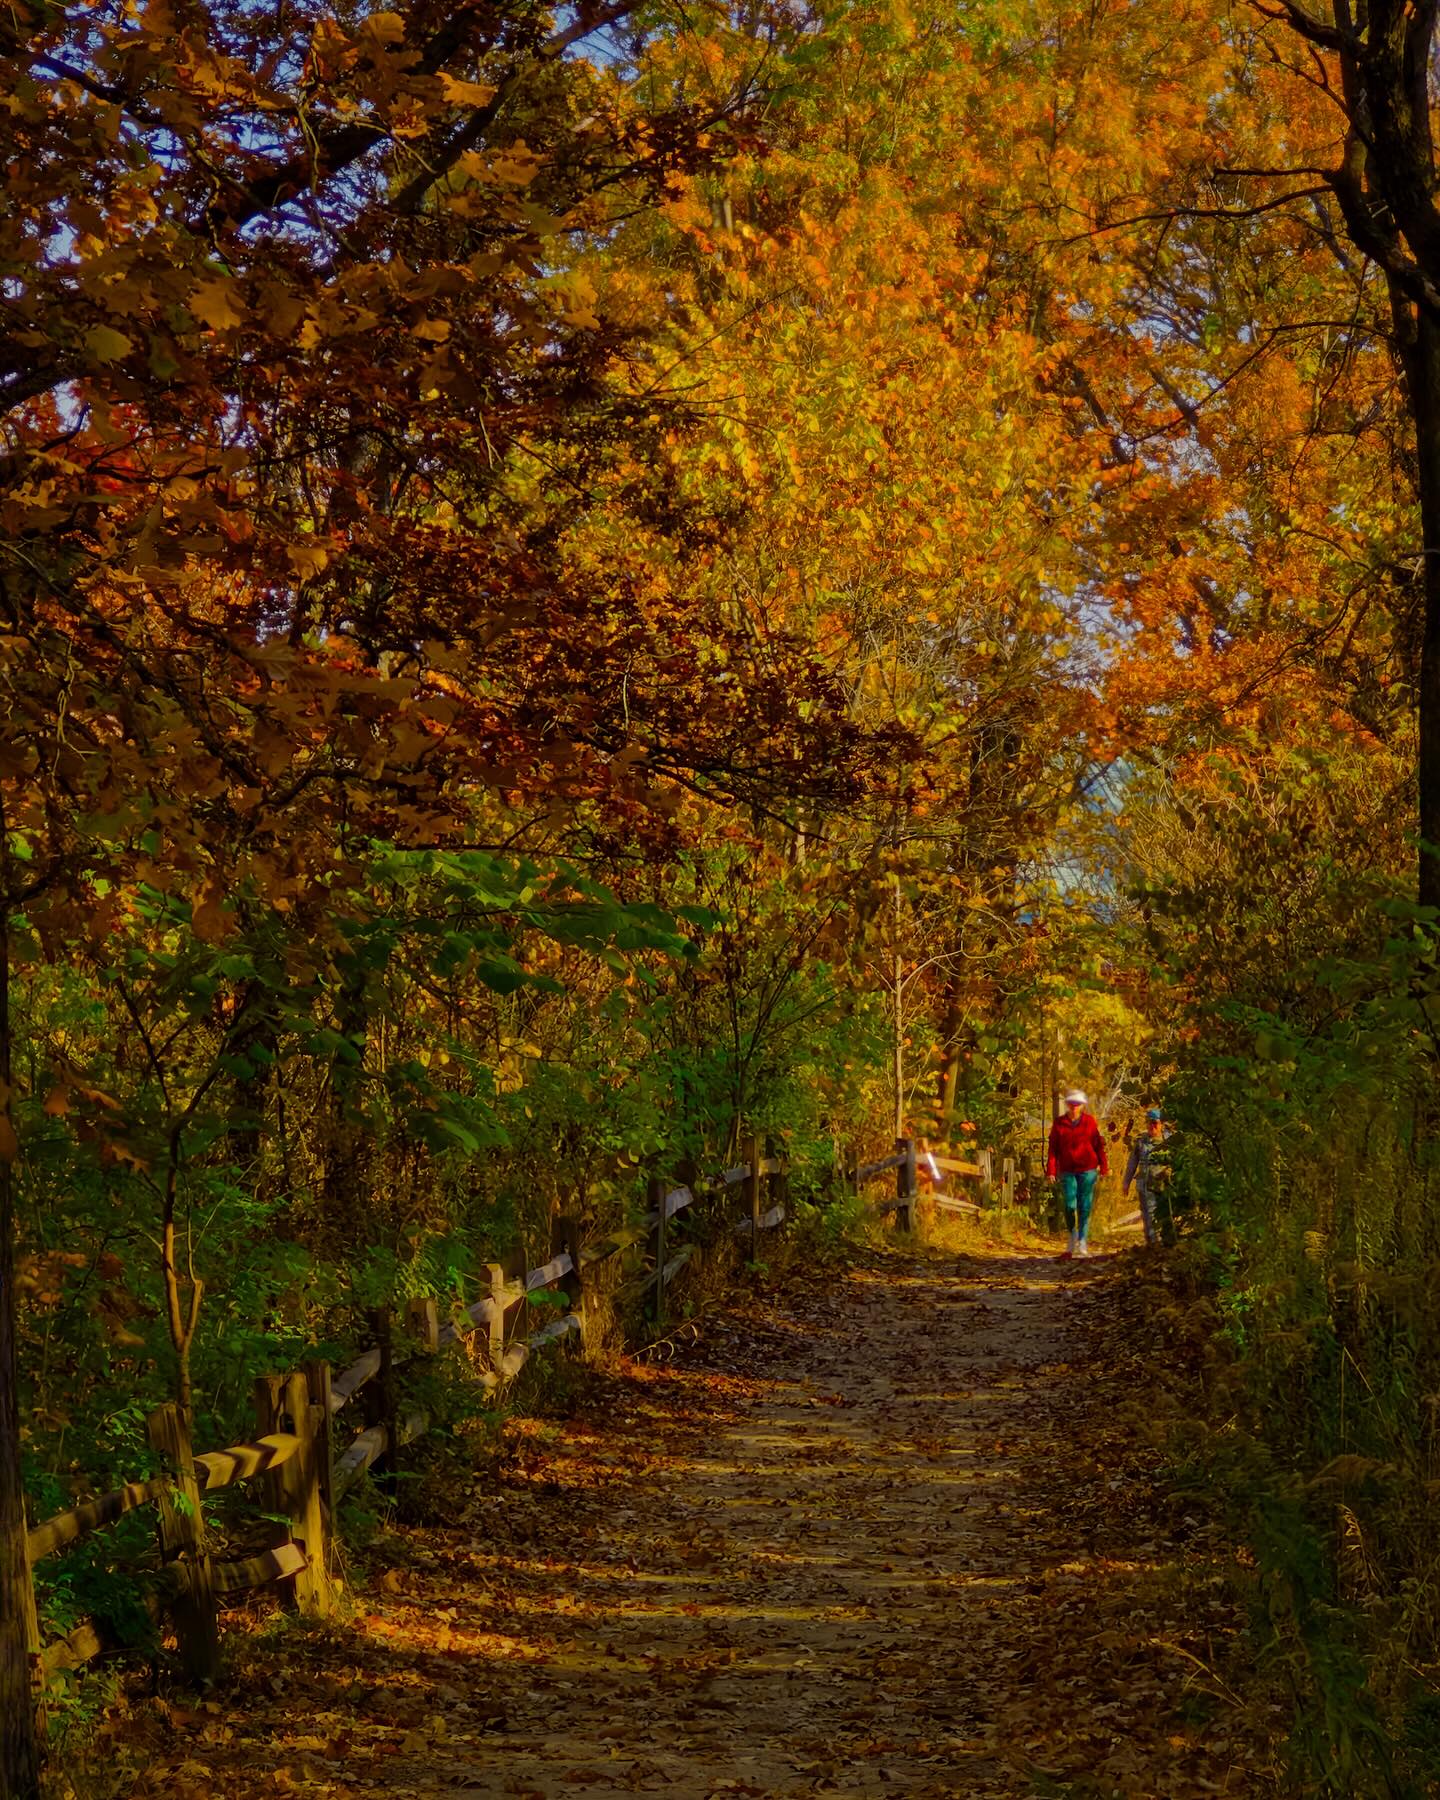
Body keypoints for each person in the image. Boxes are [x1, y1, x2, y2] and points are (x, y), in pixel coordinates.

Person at [1047, 1089, 1108, 1258]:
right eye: (1072, 1104)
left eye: (1078, 1104)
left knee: (1084, 1206)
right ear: (1067, 1105)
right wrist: (1051, 1170)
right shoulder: (1059, 1123)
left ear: (1082, 1106)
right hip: (1067, 1170)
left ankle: (1082, 1241)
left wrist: (1104, 1167)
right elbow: (1053, 1149)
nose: (1074, 1107)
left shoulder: (1089, 1122)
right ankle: (1072, 1233)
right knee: (1069, 1205)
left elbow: (1098, 1146)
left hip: (1087, 1169)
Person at [1123, 1108, 1172, 1248]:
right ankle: (1153, 1244)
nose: (1152, 1126)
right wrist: (1126, 1182)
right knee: (1148, 1214)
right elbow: (1132, 1162)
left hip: (1164, 1183)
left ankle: (1168, 1243)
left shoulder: (1168, 1140)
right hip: (1145, 1184)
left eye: (1155, 1123)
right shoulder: (1141, 1141)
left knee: (1166, 1213)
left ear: (1161, 1124)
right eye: (1149, 1123)